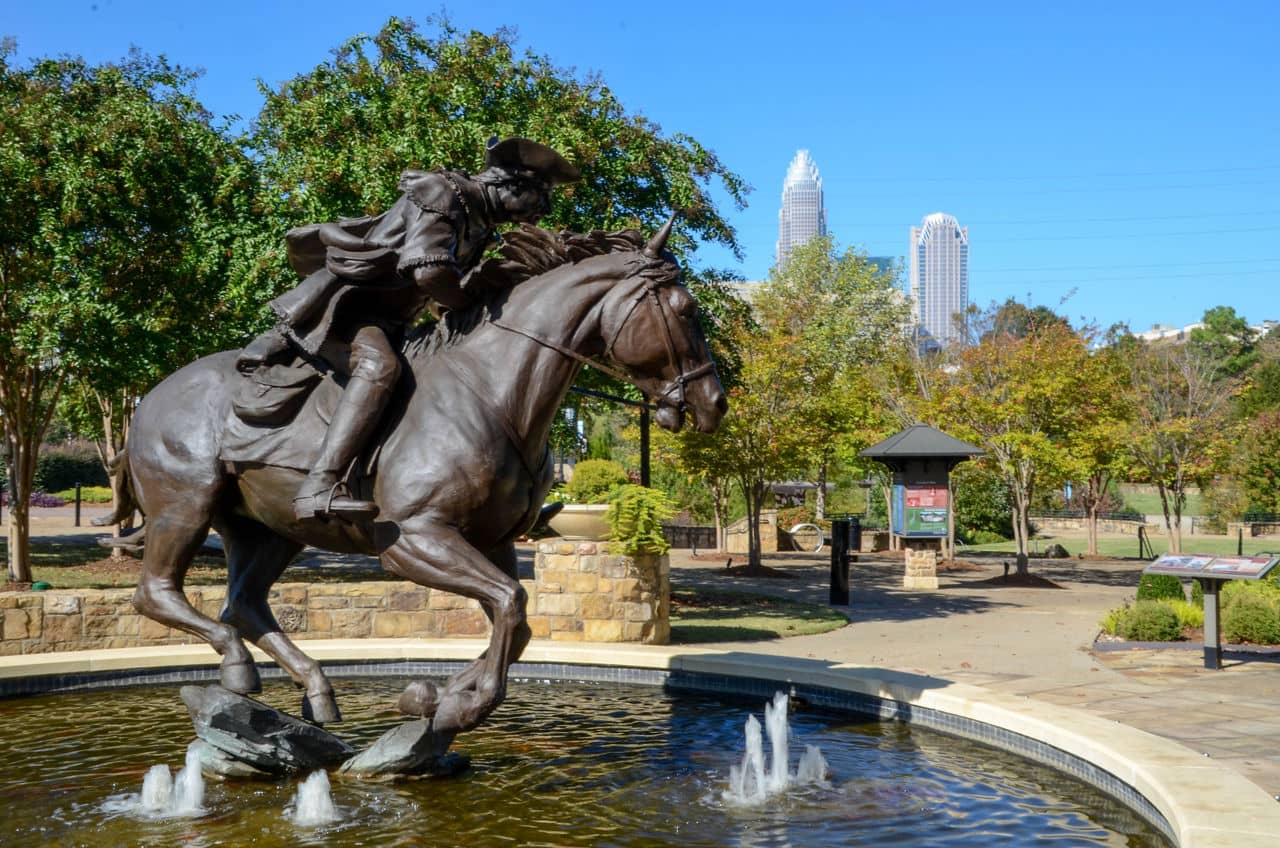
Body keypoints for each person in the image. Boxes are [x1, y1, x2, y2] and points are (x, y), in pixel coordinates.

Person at [237, 137, 580, 521]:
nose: (543, 210)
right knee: (379, 367)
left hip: (397, 321)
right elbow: (428, 269)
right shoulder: (442, 193)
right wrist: (469, 303)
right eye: (542, 197)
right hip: (351, 312)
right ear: (512, 184)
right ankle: (320, 483)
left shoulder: (480, 221)